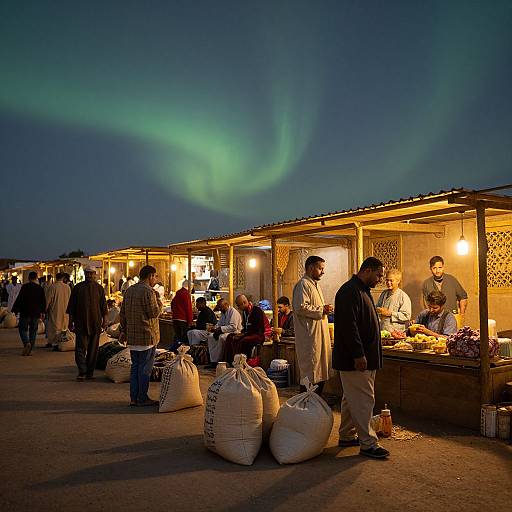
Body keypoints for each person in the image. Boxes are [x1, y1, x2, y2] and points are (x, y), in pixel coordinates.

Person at [333, 256, 389, 459]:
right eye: (378, 275)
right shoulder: (349, 291)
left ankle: (347, 435)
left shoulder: (361, 290)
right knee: (364, 400)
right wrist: (358, 354)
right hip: (354, 360)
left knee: (351, 399)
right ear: (367, 270)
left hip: (363, 357)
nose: (379, 279)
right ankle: (368, 443)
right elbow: (349, 327)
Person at [120, 265, 162, 407]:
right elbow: (154, 313)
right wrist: (159, 300)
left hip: (133, 337)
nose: (156, 279)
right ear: (150, 276)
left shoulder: (129, 291)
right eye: (155, 276)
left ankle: (134, 398)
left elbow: (123, 314)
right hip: (146, 337)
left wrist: (124, 332)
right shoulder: (149, 292)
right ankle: (142, 398)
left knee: (135, 368)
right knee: (144, 370)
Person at [292, 255, 332, 394]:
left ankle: (316, 404)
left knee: (320, 370)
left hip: (319, 335)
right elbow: (301, 307)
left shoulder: (314, 285)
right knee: (310, 372)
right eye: (320, 268)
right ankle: (306, 403)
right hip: (310, 337)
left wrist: (324, 309)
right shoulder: (303, 284)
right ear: (310, 268)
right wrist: (322, 309)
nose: (322, 272)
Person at [67, 266, 108, 381]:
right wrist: (70, 322)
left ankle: (90, 373)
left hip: (95, 323)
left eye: (92, 273)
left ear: (95, 274)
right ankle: (82, 371)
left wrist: (105, 321)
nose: (90, 275)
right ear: (85, 274)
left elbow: (103, 307)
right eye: (88, 273)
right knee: (80, 348)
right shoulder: (77, 288)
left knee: (93, 350)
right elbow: (72, 307)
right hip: (80, 323)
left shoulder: (99, 288)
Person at [224, 294, 270, 364]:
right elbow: (246, 327)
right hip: (249, 333)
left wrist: (243, 335)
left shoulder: (256, 311)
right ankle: (230, 361)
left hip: (261, 334)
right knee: (230, 337)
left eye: (239, 306)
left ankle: (242, 363)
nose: (238, 308)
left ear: (244, 303)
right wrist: (241, 334)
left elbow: (258, 329)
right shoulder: (245, 312)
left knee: (244, 341)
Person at [12, 271, 46, 356]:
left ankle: (26, 343)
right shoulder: (39, 288)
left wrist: (15, 309)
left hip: (25, 313)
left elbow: (20, 299)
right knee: (33, 331)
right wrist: (43, 311)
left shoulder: (25, 287)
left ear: (29, 278)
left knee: (22, 329)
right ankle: (30, 349)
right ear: (36, 278)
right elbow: (43, 301)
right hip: (35, 313)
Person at [206, 298, 242, 368]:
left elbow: (233, 327)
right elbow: (219, 324)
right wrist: (215, 329)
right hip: (224, 332)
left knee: (221, 338)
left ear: (226, 305)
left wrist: (220, 329)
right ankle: (213, 360)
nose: (220, 309)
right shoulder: (223, 313)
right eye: (219, 307)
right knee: (210, 337)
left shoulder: (233, 312)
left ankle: (219, 361)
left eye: (221, 307)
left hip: (234, 332)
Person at [45, 272, 72, 349]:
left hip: (55, 310)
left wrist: (45, 309)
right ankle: (62, 342)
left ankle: (54, 343)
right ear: (63, 278)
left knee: (55, 327)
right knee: (64, 327)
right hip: (66, 310)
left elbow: (48, 300)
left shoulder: (52, 287)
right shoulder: (67, 287)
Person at [170, 280, 193, 350]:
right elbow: (188, 308)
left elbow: (172, 303)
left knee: (177, 336)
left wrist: (174, 312)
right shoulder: (186, 294)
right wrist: (190, 321)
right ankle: (178, 351)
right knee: (182, 337)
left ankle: (174, 350)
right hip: (182, 319)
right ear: (189, 286)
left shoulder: (178, 293)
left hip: (175, 318)